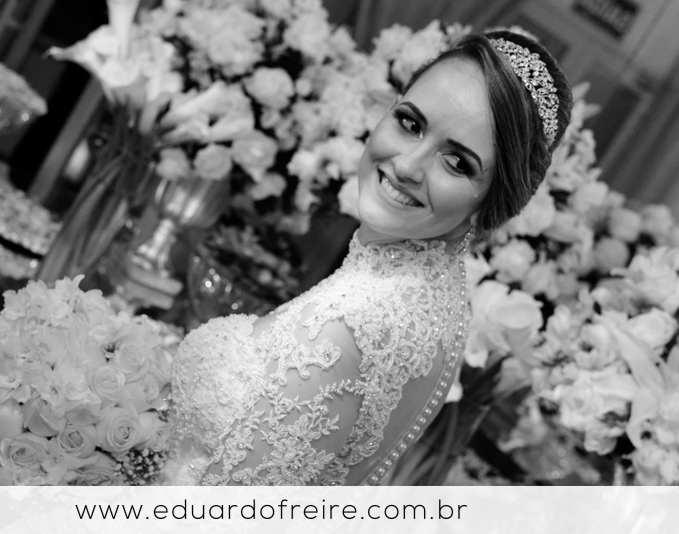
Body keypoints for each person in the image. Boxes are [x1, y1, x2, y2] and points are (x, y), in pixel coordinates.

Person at [159, 28, 573, 486]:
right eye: (410, 124)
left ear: (493, 202)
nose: (407, 165)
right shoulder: (437, 298)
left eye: (457, 162)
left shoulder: (348, 326)